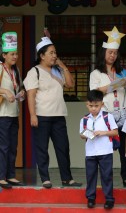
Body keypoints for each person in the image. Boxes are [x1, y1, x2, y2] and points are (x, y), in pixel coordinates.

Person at [23, 28, 81, 189]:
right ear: (42, 55)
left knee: (63, 148)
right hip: (41, 115)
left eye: (55, 52)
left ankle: (66, 178)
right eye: (51, 53)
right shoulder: (34, 72)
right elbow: (31, 95)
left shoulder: (57, 70)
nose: (54, 55)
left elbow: (70, 84)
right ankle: (45, 178)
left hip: (59, 115)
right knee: (42, 148)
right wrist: (32, 115)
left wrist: (62, 65)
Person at [89, 26, 126, 187]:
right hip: (106, 115)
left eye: (115, 53)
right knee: (106, 148)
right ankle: (105, 178)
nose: (112, 55)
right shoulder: (96, 73)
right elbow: (94, 94)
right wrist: (114, 85)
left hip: (125, 113)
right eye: (110, 52)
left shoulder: (122, 72)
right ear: (103, 53)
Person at [80, 90, 118, 209]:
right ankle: (91, 198)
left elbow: (115, 132)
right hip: (90, 152)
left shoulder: (108, 116)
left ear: (102, 104)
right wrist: (88, 134)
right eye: (91, 106)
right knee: (90, 175)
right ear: (87, 104)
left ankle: (109, 199)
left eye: (96, 106)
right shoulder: (85, 119)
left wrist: (103, 133)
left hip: (105, 151)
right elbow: (81, 135)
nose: (93, 108)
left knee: (106, 175)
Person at [0, 32, 25, 189]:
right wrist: (4, 91)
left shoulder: (16, 71)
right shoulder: (0, 68)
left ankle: (10, 175)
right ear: (4, 55)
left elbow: (19, 88)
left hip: (14, 113)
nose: (15, 56)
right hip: (2, 115)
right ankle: (1, 176)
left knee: (12, 145)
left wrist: (21, 93)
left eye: (16, 53)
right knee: (3, 146)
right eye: (12, 54)